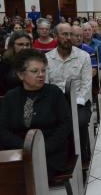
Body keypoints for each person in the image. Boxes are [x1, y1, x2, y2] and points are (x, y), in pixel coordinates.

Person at [0, 48, 72, 179]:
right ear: (21, 75)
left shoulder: (54, 93)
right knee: (10, 176)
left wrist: (43, 148)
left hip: (51, 152)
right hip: (19, 151)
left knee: (32, 175)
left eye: (43, 70)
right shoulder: (11, 97)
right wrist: (25, 148)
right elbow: (2, 130)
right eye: (35, 71)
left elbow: (65, 125)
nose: (41, 74)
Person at [46, 23, 92, 165]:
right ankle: (60, 159)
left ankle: (82, 156)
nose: (68, 38)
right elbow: (46, 86)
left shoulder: (83, 56)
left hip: (78, 101)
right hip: (55, 103)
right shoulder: (47, 58)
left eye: (70, 34)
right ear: (55, 36)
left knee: (79, 121)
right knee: (50, 123)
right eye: (64, 34)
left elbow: (86, 85)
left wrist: (77, 102)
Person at [0, 31, 32, 95]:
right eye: (20, 44)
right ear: (12, 45)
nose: (24, 48)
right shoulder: (5, 63)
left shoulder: (35, 61)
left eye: (27, 44)